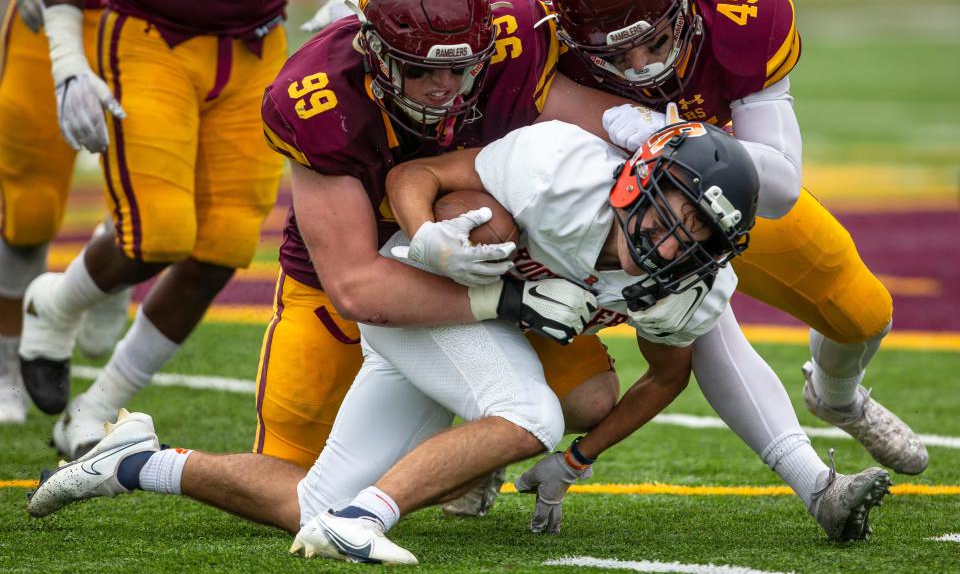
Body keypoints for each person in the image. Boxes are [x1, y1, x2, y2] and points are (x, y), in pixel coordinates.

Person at [25, 120, 888, 562]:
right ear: (637, 174)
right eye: (670, 206)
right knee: (527, 409)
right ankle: (371, 520)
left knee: (308, 500)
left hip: (471, 330)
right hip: (423, 291)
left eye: (696, 230)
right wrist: (436, 239)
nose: (668, 238)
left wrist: (581, 458)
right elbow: (418, 178)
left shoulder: (691, 290)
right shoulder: (555, 170)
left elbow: (666, 375)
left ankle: (135, 460)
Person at [250, 0, 635, 521]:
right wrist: (518, 301)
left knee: (590, 398)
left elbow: (614, 126)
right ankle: (141, 463)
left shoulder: (512, 41)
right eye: (422, 69)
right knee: (293, 480)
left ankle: (480, 442)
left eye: (459, 68)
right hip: (351, 269)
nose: (444, 87)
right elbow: (356, 287)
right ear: (374, 52)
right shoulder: (318, 96)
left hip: (486, 252)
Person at [544, 0, 926, 476]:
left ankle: (837, 396)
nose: (642, 65)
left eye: (652, 42)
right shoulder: (542, 24)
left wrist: (661, 133)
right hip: (613, 212)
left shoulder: (741, 9)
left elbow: (778, 188)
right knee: (690, 319)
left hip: (730, 190)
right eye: (618, 57)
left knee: (862, 313)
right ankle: (484, 459)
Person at [20, 0, 362, 457]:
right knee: (156, 235)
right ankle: (55, 305)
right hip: (151, 38)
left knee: (224, 246)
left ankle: (97, 409)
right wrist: (67, 65)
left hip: (255, 44)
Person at [0, 0, 129, 424]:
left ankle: (105, 263)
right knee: (26, 209)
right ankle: (7, 363)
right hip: (51, 9)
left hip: (152, 20)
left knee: (153, 190)